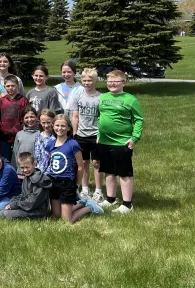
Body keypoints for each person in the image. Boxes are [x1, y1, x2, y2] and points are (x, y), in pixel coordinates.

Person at [95, 70, 144, 214]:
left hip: (122, 142)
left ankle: (127, 205)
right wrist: (99, 135)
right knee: (109, 171)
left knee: (124, 173)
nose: (112, 84)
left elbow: (139, 119)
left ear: (123, 82)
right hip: (104, 141)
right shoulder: (103, 97)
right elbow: (100, 118)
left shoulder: (131, 100)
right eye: (109, 81)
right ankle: (111, 199)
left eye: (116, 81)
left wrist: (134, 138)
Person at [46, 114, 93, 224]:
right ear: (53, 126)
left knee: (67, 221)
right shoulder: (50, 144)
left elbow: (81, 167)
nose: (60, 128)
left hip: (67, 182)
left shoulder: (73, 144)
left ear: (68, 128)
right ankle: (81, 203)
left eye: (63, 126)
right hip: (53, 182)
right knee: (56, 215)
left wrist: (77, 184)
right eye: (57, 125)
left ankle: (89, 207)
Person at [68, 67, 103, 199]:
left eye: (90, 80)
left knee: (96, 163)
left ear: (95, 81)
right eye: (84, 80)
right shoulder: (78, 95)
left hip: (95, 135)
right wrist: (75, 134)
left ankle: (99, 191)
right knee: (83, 163)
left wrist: (100, 135)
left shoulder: (101, 97)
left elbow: (102, 118)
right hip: (81, 135)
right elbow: (75, 116)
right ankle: (85, 188)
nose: (87, 83)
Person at [0, 152, 52, 220]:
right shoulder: (27, 177)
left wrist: (16, 205)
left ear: (34, 164)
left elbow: (32, 202)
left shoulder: (39, 180)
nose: (25, 170)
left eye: (27, 167)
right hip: (27, 208)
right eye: (22, 167)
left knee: (4, 214)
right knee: (0, 211)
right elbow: (23, 195)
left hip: (37, 212)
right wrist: (12, 203)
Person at [0, 75, 28, 163]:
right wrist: (2, 127)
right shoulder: (1, 101)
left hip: (19, 136)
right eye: (8, 86)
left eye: (13, 86)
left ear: (17, 86)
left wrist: (21, 128)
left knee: (19, 159)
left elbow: (26, 116)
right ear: (4, 87)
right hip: (3, 137)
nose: (10, 88)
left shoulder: (23, 100)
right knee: (5, 160)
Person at [11, 106, 40, 171]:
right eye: (26, 117)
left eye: (32, 117)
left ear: (36, 117)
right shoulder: (19, 134)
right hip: (21, 171)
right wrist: (14, 170)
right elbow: (15, 154)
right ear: (23, 119)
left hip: (36, 172)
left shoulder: (41, 134)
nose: (29, 120)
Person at [33, 109, 56, 175]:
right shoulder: (38, 137)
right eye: (43, 123)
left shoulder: (55, 137)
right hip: (38, 171)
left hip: (51, 172)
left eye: (48, 122)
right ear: (40, 122)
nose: (46, 125)